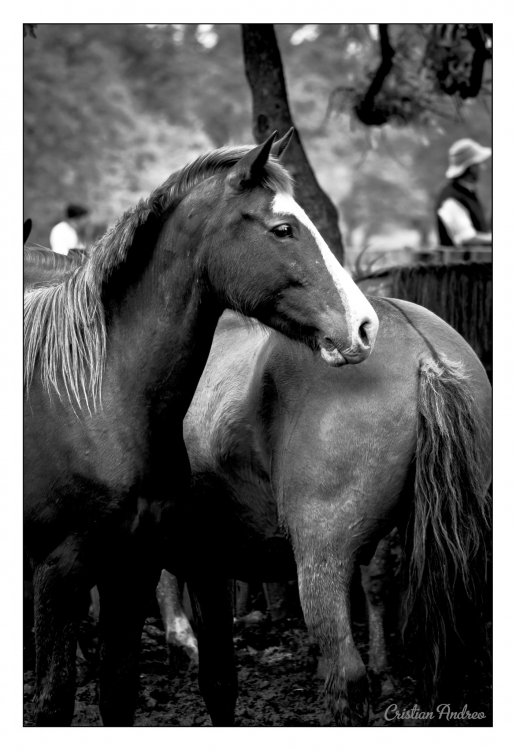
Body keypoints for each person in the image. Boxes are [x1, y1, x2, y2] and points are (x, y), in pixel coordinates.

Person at [435, 138, 492, 260]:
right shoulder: (450, 199)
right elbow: (467, 239)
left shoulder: (468, 193)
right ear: (471, 168)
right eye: (479, 164)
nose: (482, 168)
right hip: (458, 275)